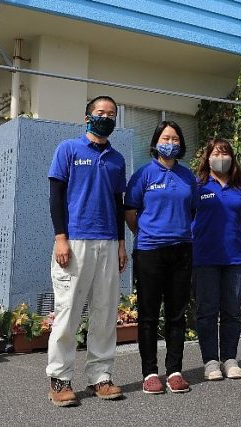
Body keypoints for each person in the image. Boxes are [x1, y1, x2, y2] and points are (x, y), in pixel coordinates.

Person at [46, 95, 127, 406]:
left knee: (105, 313)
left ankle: (100, 376)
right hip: (75, 241)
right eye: (100, 112)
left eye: (111, 114)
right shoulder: (68, 149)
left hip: (108, 242)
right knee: (68, 312)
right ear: (87, 117)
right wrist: (60, 237)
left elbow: (119, 204)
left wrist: (121, 243)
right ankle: (60, 378)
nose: (106, 117)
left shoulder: (117, 159)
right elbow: (56, 196)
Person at [124, 120, 197, 394]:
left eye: (175, 139)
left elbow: (192, 211)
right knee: (149, 314)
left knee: (177, 314)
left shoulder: (187, 176)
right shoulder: (143, 175)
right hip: (150, 251)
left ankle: (175, 370)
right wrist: (146, 233)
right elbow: (130, 211)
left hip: (181, 250)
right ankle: (150, 372)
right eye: (166, 138)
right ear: (156, 142)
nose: (171, 143)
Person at [192, 139, 241, 381]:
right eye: (216, 153)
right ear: (207, 158)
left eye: (225, 153)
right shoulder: (197, 186)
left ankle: (229, 358)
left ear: (232, 158)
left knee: (232, 311)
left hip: (234, 259)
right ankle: (210, 361)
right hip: (204, 258)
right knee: (206, 311)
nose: (221, 157)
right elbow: (187, 217)